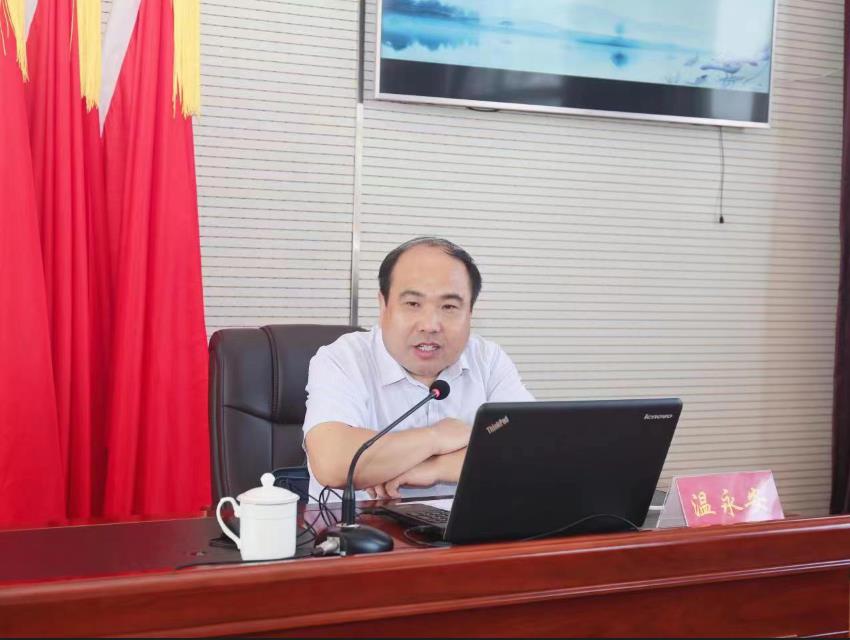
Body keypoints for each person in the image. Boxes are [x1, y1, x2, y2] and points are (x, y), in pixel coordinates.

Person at [303, 237, 534, 501]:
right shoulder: (343, 359)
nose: (430, 325)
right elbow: (334, 462)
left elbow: (530, 450)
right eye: (413, 304)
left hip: (467, 526)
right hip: (358, 525)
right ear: (383, 305)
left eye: (449, 307)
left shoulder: (488, 360)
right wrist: (437, 437)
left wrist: (435, 468)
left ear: (470, 312)